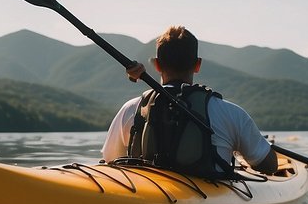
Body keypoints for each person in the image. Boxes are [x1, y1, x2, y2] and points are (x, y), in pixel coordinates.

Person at [102, 25, 279, 177]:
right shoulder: (231, 113)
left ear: (156, 65)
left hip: (146, 195)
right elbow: (268, 166)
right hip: (208, 201)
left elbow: (111, 160)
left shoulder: (131, 109)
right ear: (197, 65)